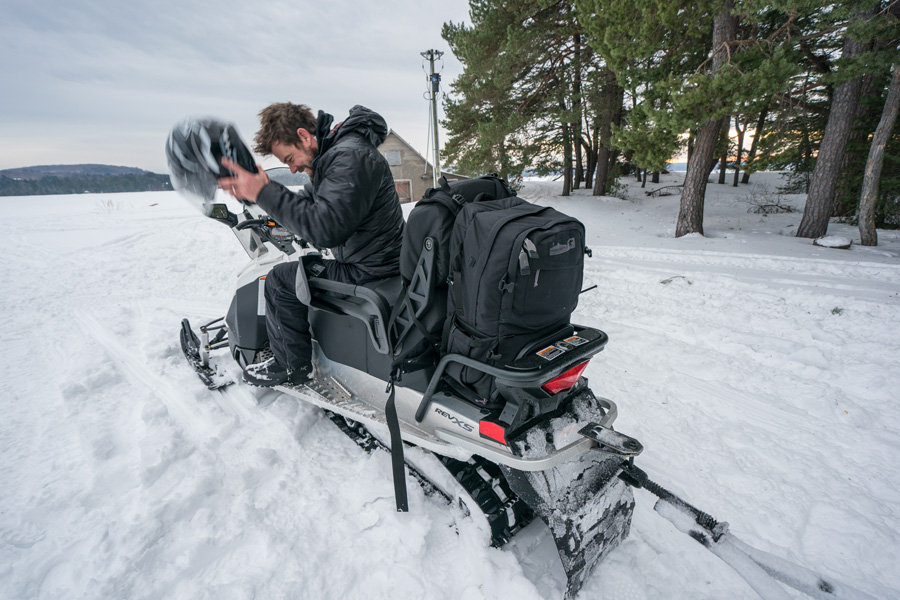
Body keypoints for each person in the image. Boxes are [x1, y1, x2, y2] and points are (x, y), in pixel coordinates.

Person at [219, 103, 404, 386]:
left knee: (280, 280)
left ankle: (291, 366)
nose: (292, 168)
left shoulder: (348, 157)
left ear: (305, 136)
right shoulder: (339, 155)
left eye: (290, 157)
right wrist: (261, 192)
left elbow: (324, 229)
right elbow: (309, 203)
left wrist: (265, 192)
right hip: (379, 261)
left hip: (370, 271)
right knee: (299, 272)